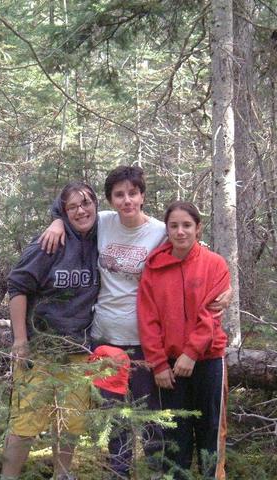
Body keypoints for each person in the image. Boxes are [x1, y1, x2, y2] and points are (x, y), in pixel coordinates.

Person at [40, 166, 232, 479]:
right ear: (110, 200)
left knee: (155, 420)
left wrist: (226, 287)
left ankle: (163, 472)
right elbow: (77, 212)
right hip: (105, 337)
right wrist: (57, 221)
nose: (127, 200)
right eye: (119, 194)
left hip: (147, 344)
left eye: (133, 193)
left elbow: (192, 253)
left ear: (143, 196)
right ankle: (119, 473)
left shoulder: (159, 231)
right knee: (114, 419)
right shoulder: (102, 223)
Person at [1, 181, 100, 480]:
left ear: (96, 204)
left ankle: (62, 475)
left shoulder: (103, 236)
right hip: (41, 350)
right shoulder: (49, 243)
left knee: (70, 424)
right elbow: (17, 286)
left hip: (80, 349)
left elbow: (142, 228)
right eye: (72, 207)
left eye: (86, 203)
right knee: (25, 424)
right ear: (63, 210)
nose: (81, 211)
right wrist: (20, 340)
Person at [137, 201, 231, 480]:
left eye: (187, 225)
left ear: (198, 228)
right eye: (174, 226)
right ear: (166, 230)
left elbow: (210, 315)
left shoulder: (214, 264)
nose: (180, 232)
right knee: (175, 431)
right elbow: (148, 318)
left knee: (210, 428)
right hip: (169, 366)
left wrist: (191, 353)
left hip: (208, 360)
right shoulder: (154, 267)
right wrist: (157, 364)